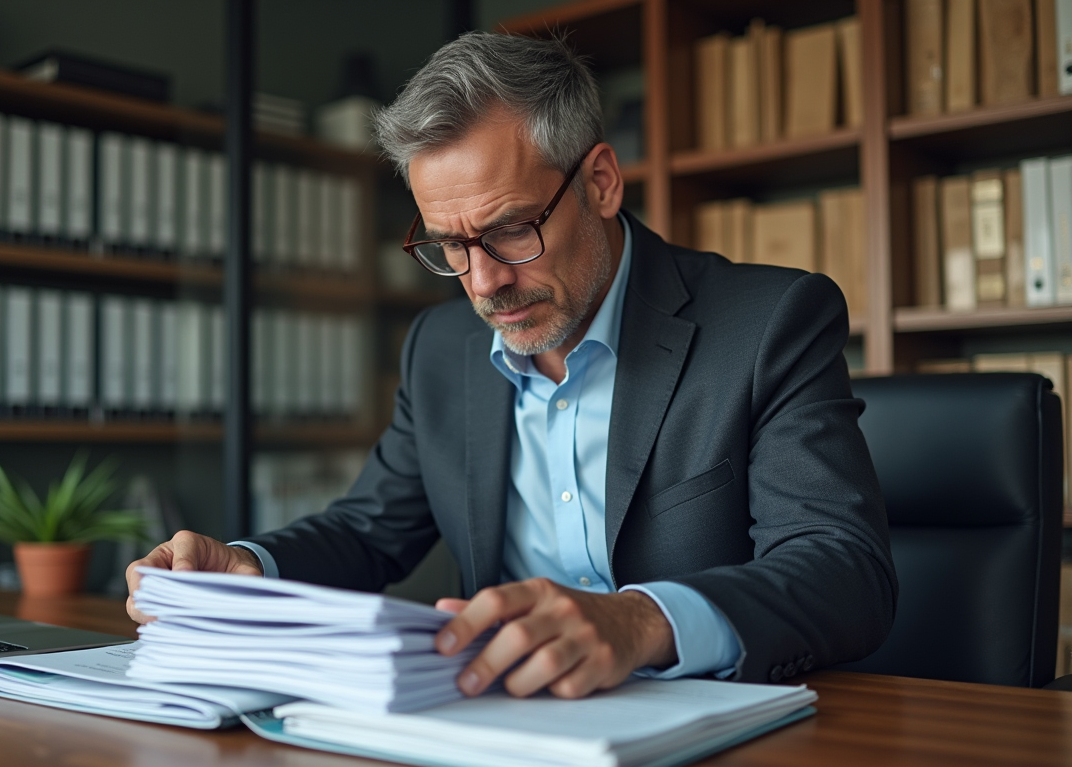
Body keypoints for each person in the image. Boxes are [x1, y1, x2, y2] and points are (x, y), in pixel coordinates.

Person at [126, 32, 897, 700]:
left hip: (716, 737)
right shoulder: (440, 351)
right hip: (504, 731)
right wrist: (252, 567)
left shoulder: (767, 324)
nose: (485, 281)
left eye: (511, 230)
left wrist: (637, 620)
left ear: (599, 182)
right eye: (450, 246)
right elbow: (368, 533)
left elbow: (844, 571)